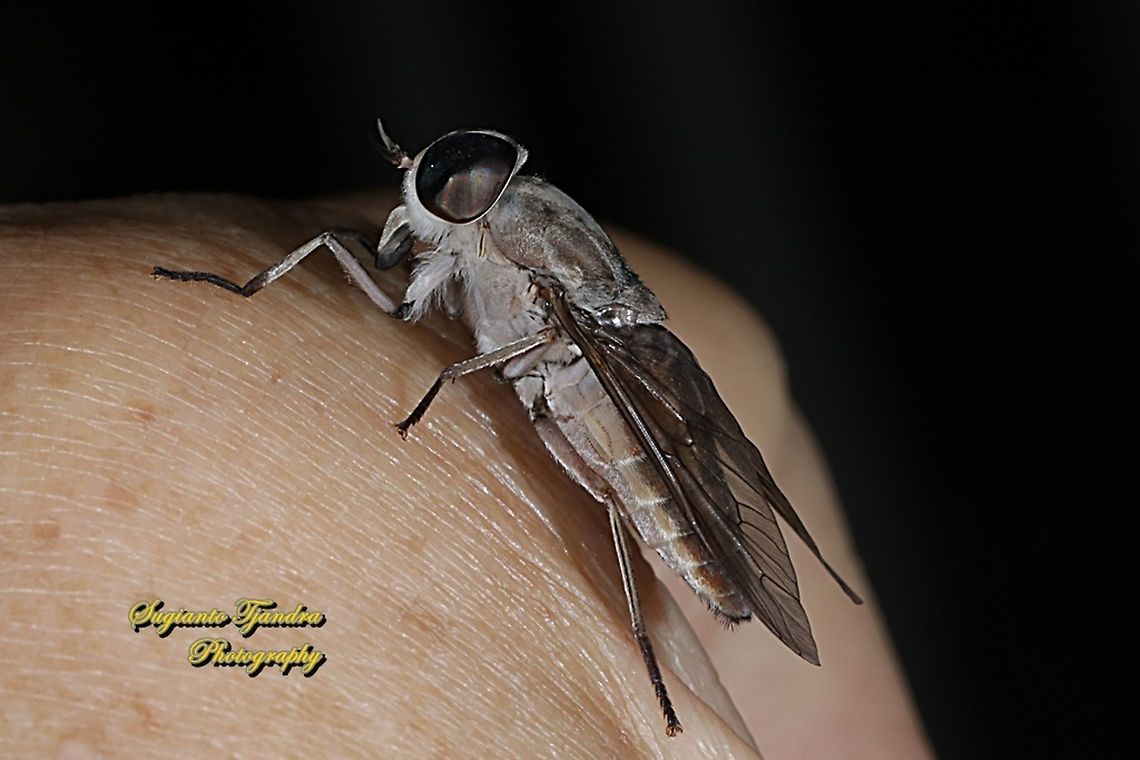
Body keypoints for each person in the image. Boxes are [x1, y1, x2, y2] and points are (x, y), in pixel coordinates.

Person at [0, 193, 931, 757]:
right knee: (336, 241)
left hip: (604, 385)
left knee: (614, 480)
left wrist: (449, 376)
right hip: (608, 354)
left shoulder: (529, 267)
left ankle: (647, 649)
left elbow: (521, 348)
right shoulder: (486, 239)